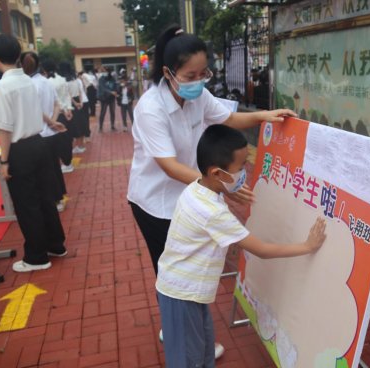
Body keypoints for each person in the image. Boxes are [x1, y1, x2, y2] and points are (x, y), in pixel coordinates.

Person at [127, 25, 296, 357]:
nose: (199, 80)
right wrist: (220, 186)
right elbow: (169, 166)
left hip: (189, 195)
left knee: (192, 266)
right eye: (191, 74)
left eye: (204, 72)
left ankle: (187, 331)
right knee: (173, 271)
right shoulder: (151, 109)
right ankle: (178, 333)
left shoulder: (198, 95)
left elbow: (229, 118)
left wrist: (265, 116)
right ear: (168, 72)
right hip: (156, 203)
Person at [157, 124, 326, 368]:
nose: (246, 170)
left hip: (185, 290)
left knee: (202, 351)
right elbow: (262, 250)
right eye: (241, 166)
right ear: (217, 173)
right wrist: (308, 246)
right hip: (181, 294)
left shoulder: (198, 187)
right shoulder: (212, 212)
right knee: (188, 359)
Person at [0, 34, 67, 272]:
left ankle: (36, 257)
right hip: (39, 143)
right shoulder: (27, 79)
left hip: (19, 150)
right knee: (46, 199)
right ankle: (56, 244)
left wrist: (3, 161)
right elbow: (34, 109)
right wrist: (50, 123)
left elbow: (4, 128)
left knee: (27, 204)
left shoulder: (2, 86)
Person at [20, 52, 68, 211]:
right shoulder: (46, 81)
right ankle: (60, 196)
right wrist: (54, 122)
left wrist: (50, 122)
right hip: (52, 133)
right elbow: (56, 104)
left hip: (41, 133)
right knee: (55, 167)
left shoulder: (29, 85)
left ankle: (56, 199)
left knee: (46, 171)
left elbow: (36, 110)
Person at [42, 60, 75, 174]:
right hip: (64, 114)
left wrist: (63, 110)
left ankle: (63, 164)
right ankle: (68, 163)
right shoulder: (62, 79)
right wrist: (68, 109)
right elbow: (66, 96)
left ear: (44, 70)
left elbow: (56, 101)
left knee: (56, 141)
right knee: (66, 140)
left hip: (53, 116)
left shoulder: (47, 82)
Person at [97, 68, 118, 132]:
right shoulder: (101, 79)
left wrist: (117, 91)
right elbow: (102, 88)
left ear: (109, 72)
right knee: (103, 112)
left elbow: (115, 86)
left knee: (112, 112)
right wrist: (111, 92)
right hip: (104, 98)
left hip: (111, 98)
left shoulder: (112, 78)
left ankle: (112, 126)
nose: (104, 73)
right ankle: (100, 127)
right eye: (103, 71)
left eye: (105, 71)